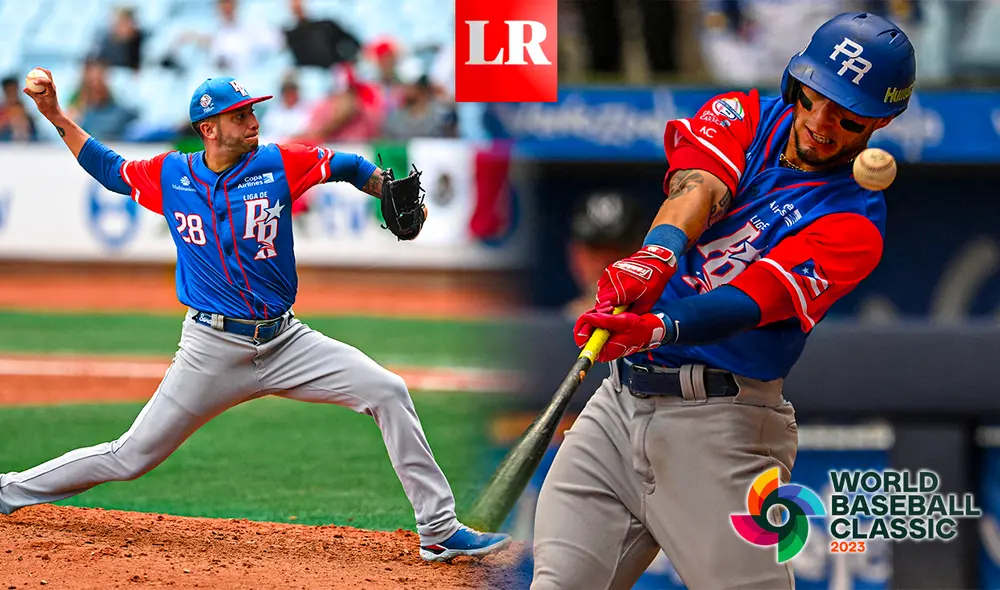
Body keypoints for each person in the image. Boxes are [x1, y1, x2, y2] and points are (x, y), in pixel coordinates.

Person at [3, 70, 511, 563]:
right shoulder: (172, 175)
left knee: (387, 391)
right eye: (239, 114)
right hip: (211, 349)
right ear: (209, 129)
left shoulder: (277, 163)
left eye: (252, 111)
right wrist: (54, 114)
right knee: (131, 456)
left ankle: (439, 531)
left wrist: (383, 187)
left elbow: (348, 165)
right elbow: (109, 168)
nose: (252, 121)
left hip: (286, 341)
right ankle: (8, 491)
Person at [532, 12, 914, 589]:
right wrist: (654, 257)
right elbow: (698, 187)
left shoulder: (855, 222)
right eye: (816, 98)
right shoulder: (743, 114)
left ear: (879, 122)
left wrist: (659, 327)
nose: (821, 123)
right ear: (797, 80)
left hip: (723, 426)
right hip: (617, 408)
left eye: (848, 116)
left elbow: (749, 299)